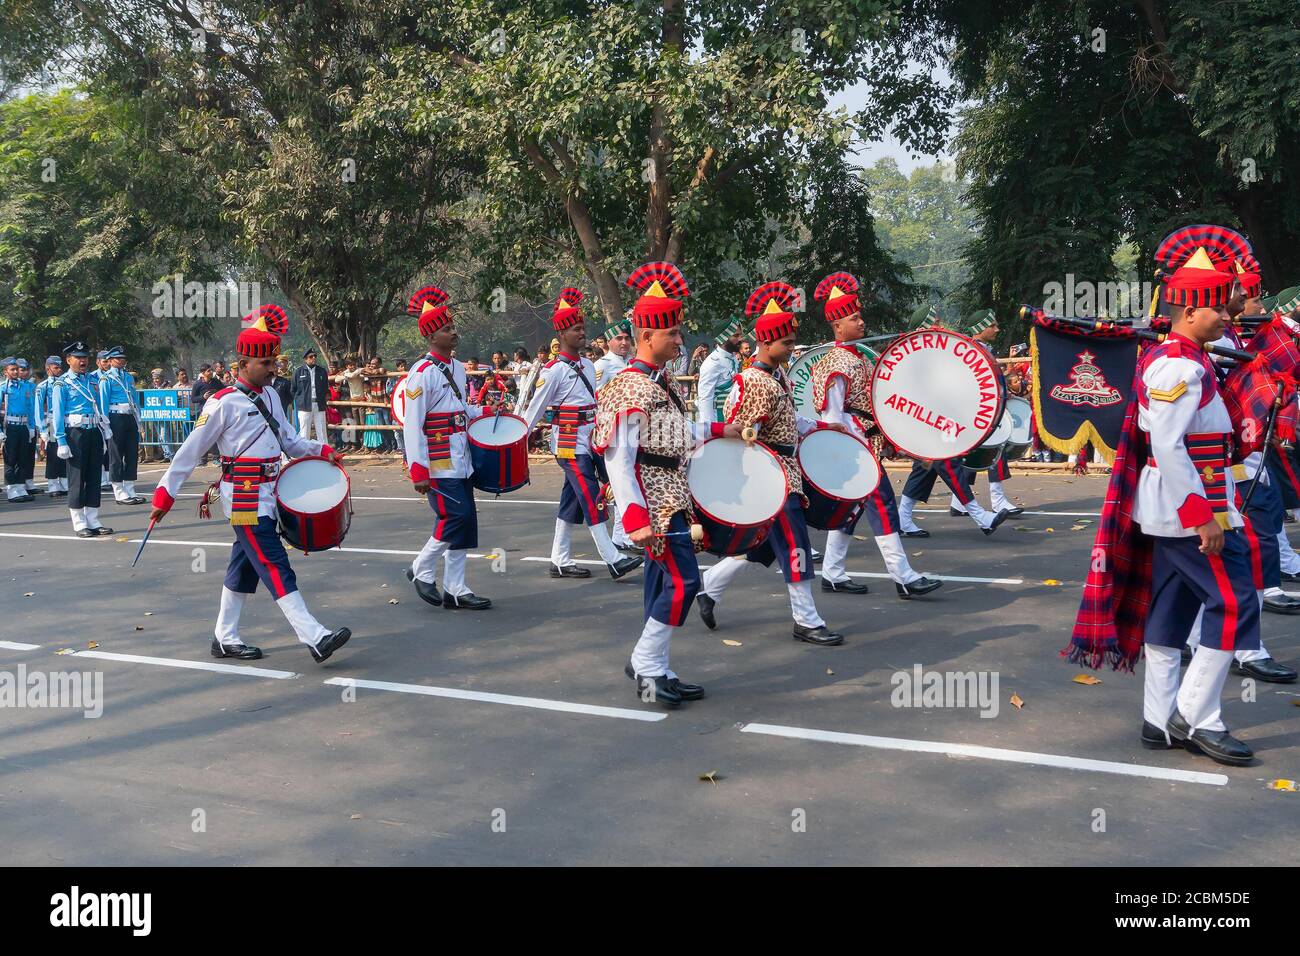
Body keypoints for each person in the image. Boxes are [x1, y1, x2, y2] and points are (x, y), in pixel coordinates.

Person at [1071, 245, 1260, 766]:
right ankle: (1198, 716)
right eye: (1218, 306)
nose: (1228, 314)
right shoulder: (1180, 366)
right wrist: (1203, 515)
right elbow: (1171, 446)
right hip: (1191, 507)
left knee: (1173, 608)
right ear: (1189, 312)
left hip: (1180, 504)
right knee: (1235, 600)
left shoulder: (1182, 359)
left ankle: (1159, 718)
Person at [149, 306, 352, 663]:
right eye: (266, 364)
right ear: (243, 364)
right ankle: (315, 636)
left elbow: (289, 440)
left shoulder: (273, 395)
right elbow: (189, 451)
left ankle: (224, 637)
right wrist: (165, 494)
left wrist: (322, 450)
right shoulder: (221, 403)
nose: (274, 370)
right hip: (243, 497)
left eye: (274, 362)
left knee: (243, 565)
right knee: (274, 562)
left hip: (272, 492)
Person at [593, 261, 745, 708]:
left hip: (670, 492)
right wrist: (635, 515)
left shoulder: (657, 381)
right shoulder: (630, 385)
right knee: (683, 582)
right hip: (653, 501)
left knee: (661, 584)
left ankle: (655, 668)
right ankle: (644, 662)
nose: (680, 341)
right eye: (673, 334)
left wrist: (721, 432)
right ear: (647, 336)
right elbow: (618, 457)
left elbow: (676, 435)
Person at [696, 282, 845, 646]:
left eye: (793, 342)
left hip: (783, 470)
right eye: (787, 344)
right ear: (765, 343)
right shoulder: (755, 382)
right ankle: (806, 620)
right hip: (771, 476)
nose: (792, 348)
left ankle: (708, 586)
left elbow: (788, 421)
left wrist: (825, 425)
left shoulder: (775, 375)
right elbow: (746, 436)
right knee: (795, 542)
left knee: (761, 544)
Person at [810, 272, 943, 599]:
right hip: (853, 450)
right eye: (854, 318)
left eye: (860, 316)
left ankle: (832, 572)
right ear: (838, 326)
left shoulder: (858, 357)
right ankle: (904, 577)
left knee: (850, 510)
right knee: (883, 505)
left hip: (862, 444)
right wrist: (847, 454)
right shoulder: (836, 363)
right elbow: (832, 417)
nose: (862, 322)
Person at [520, 287, 644, 581]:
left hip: (590, 439)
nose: (582, 333)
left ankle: (560, 560)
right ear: (562, 334)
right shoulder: (553, 371)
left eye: (583, 328)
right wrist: (517, 439)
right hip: (566, 443)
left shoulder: (588, 365)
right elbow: (535, 409)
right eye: (576, 329)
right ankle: (612, 558)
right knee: (591, 494)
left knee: (571, 499)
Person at [400, 284, 492, 610]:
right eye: (446, 328)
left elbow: (461, 409)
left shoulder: (457, 367)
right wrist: (417, 468)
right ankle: (422, 567)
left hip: (460, 454)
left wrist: (486, 412)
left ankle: (456, 587)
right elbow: (412, 424)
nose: (453, 333)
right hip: (436, 457)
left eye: (452, 327)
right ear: (430, 335)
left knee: (465, 522)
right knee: (455, 515)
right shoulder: (420, 374)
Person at [898, 309, 1014, 535]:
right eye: (937, 322)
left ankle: (902, 519)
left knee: (925, 469)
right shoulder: (918, 357)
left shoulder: (933, 353)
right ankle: (981, 517)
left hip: (936, 421)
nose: (942, 326)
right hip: (927, 422)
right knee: (948, 463)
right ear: (926, 327)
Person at [51, 342, 113, 536]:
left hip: (93, 431)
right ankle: (79, 523)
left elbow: (98, 408)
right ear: (69, 360)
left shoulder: (92, 381)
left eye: (85, 357)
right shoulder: (62, 384)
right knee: (77, 479)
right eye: (78, 357)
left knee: (94, 476)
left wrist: (104, 431)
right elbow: (58, 415)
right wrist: (61, 441)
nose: (83, 360)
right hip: (74, 434)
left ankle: (93, 520)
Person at [98, 345, 145, 505]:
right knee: (116, 455)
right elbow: (103, 403)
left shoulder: (128, 377)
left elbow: (134, 399)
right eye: (118, 358)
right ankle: (118, 491)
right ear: (110, 361)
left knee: (132, 453)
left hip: (129, 416)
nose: (122, 361)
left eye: (123, 358)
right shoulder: (106, 379)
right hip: (115, 416)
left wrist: (139, 419)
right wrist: (105, 425)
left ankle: (130, 488)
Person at [0, 357, 37, 502]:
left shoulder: (25, 387)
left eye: (16, 369)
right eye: (12, 369)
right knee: (10, 459)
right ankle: (11, 490)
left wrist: (32, 427)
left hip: (24, 426)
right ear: (6, 371)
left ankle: (20, 487)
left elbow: (30, 408)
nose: (15, 372)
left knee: (23, 458)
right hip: (10, 426)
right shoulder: (3, 388)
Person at [694, 318, 743, 423]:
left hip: (732, 417)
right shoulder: (712, 363)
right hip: (718, 419)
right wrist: (709, 429)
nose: (740, 339)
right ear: (724, 337)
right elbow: (705, 398)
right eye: (736, 336)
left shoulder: (732, 358)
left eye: (740, 335)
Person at [35, 355, 68, 498]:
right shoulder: (43, 386)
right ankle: (53, 484)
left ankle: (64, 481)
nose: (59, 370)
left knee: (65, 453)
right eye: (56, 367)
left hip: (64, 421)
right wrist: (42, 429)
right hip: (51, 423)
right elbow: (37, 410)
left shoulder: (64, 383)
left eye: (60, 367)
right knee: (53, 455)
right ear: (48, 368)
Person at [292, 347, 330, 443]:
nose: (314, 358)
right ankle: (304, 454)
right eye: (311, 356)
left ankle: (324, 453)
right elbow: (293, 389)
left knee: (321, 430)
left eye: (315, 356)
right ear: (305, 359)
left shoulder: (322, 371)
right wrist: (299, 401)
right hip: (304, 405)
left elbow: (326, 387)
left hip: (319, 404)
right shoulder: (298, 372)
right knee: (304, 431)